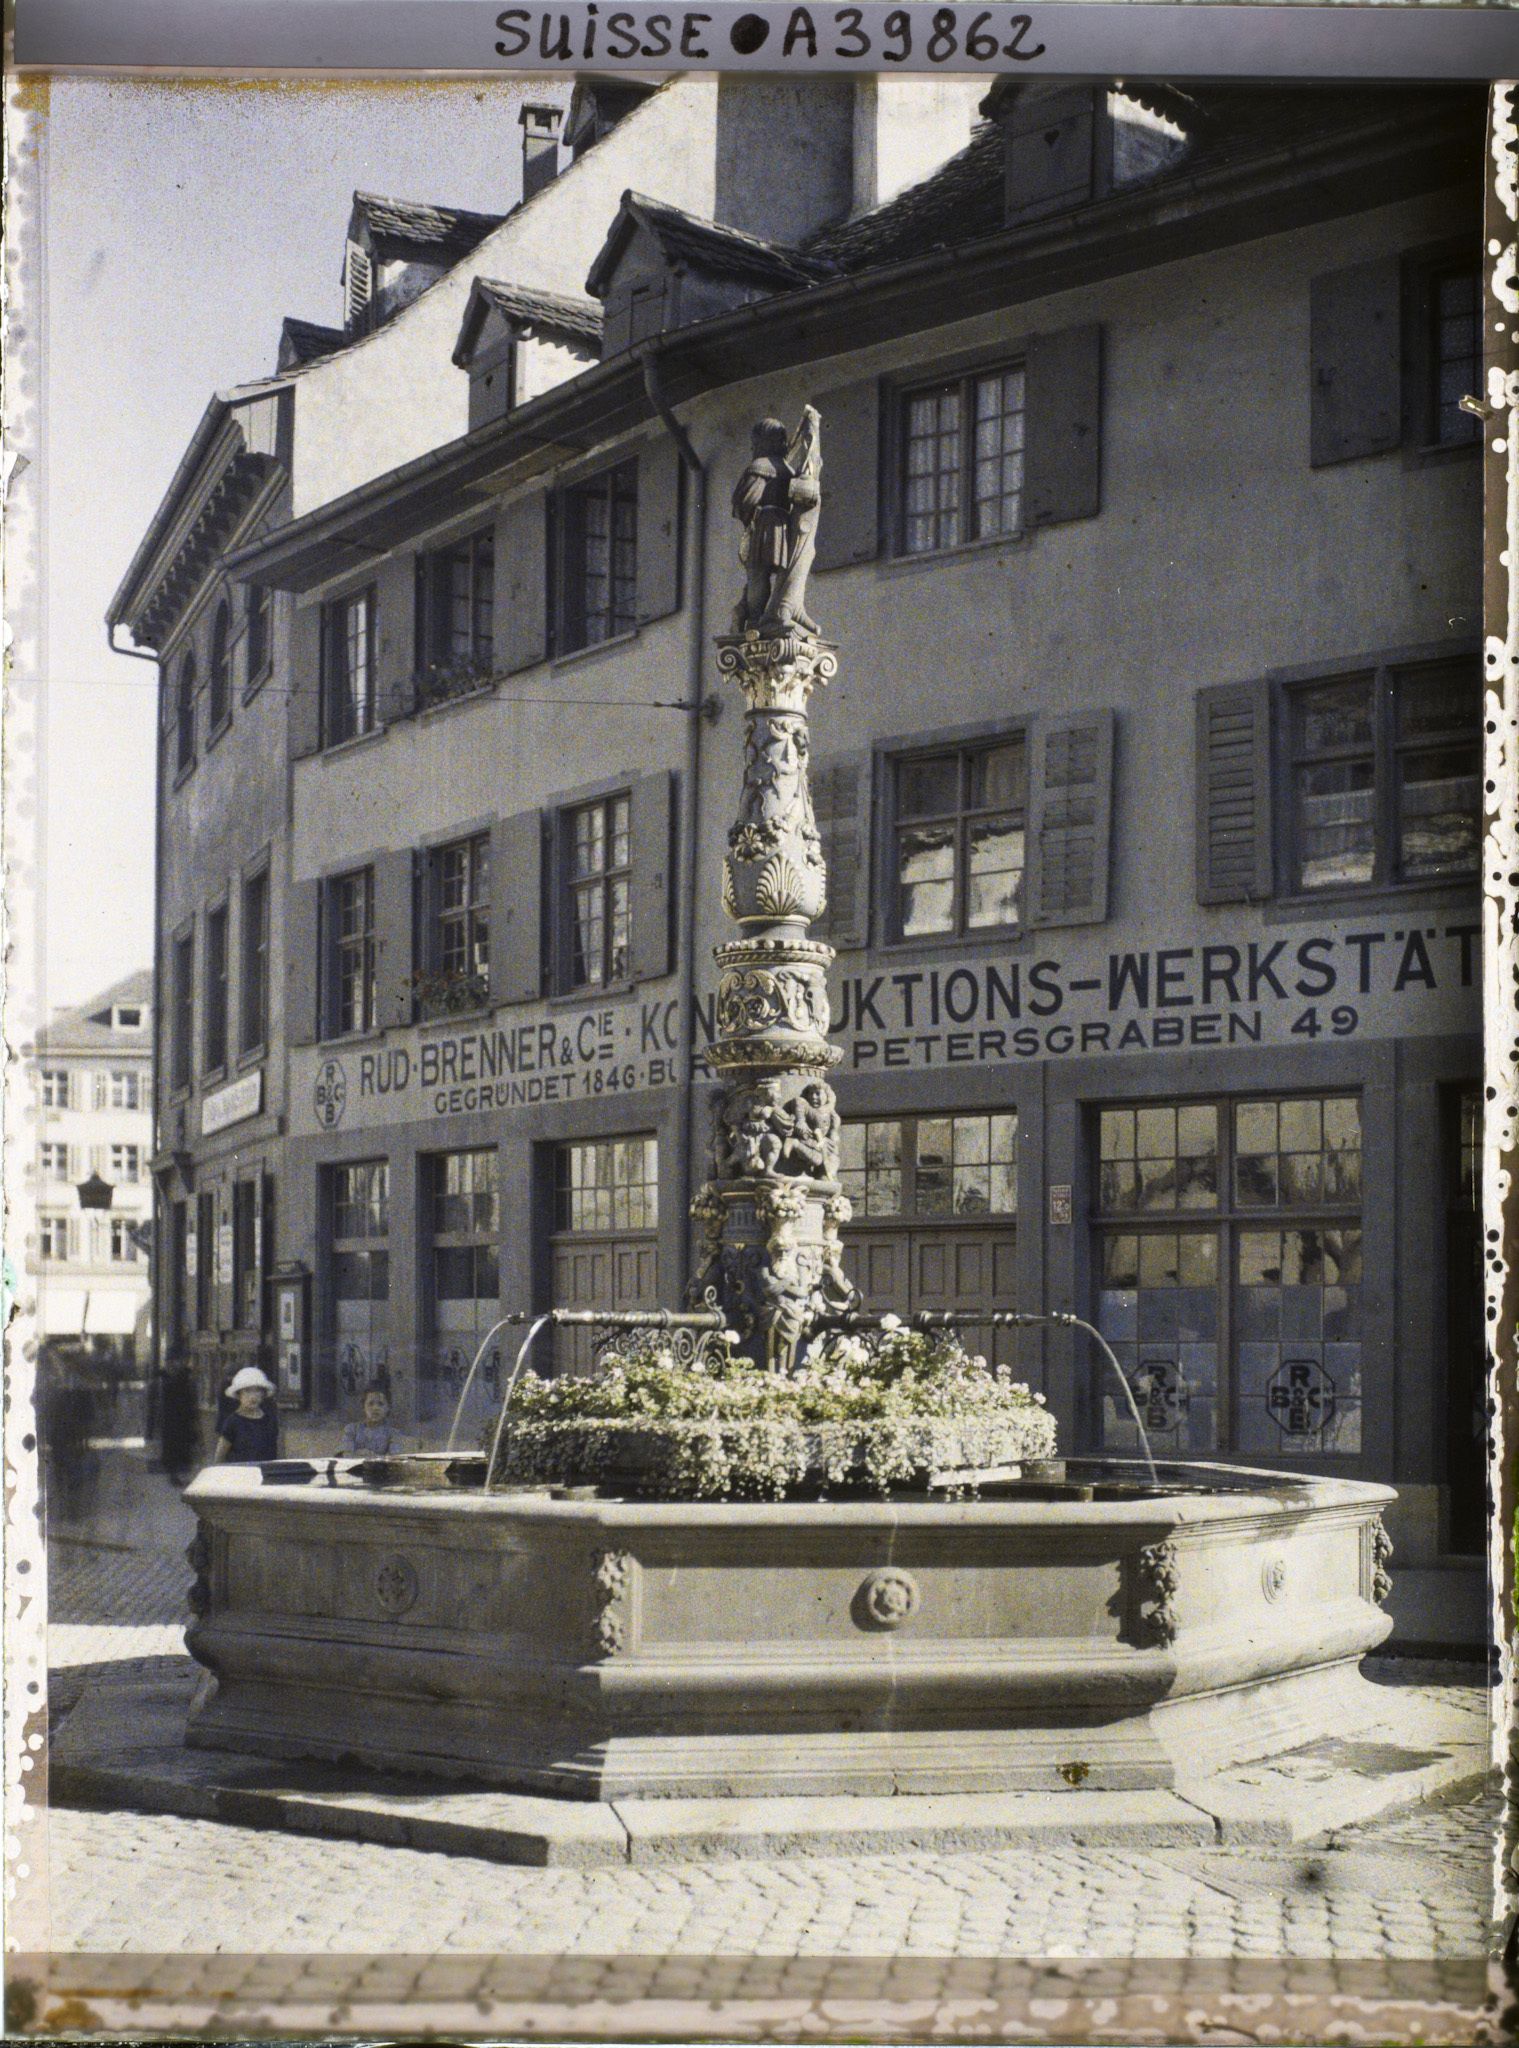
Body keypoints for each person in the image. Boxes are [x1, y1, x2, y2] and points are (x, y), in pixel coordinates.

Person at [213, 1365, 279, 1464]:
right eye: (247, 1391)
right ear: (239, 1394)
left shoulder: (270, 1420)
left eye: (258, 1390)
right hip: (240, 1476)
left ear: (263, 1394)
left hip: (265, 1475)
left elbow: (278, 1455)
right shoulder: (233, 1422)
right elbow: (219, 1457)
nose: (253, 1396)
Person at [341, 1386, 399, 1458]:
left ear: (388, 1408)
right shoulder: (351, 1429)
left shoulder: (392, 1433)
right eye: (370, 1404)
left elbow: (394, 1458)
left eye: (380, 1404)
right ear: (363, 1407)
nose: (375, 1408)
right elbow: (347, 1455)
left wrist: (371, 1457)